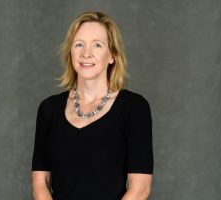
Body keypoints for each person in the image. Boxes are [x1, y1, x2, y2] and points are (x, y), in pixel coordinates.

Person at [31, 11, 153, 200]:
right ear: (70, 52)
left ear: (112, 55)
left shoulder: (134, 108)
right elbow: (40, 185)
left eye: (97, 45)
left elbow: (140, 190)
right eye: (79, 44)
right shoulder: (49, 109)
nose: (86, 53)